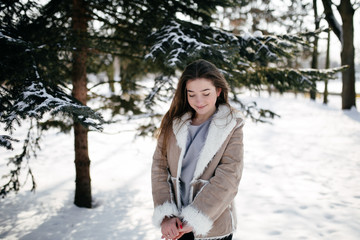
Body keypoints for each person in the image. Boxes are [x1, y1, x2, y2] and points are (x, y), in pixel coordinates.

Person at [151, 59, 244, 240]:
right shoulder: (173, 122)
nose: (198, 101)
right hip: (176, 225)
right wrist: (167, 216)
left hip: (212, 227)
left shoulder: (232, 124)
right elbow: (159, 169)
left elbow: (229, 177)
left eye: (205, 93)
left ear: (218, 91)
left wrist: (195, 217)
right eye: (191, 94)